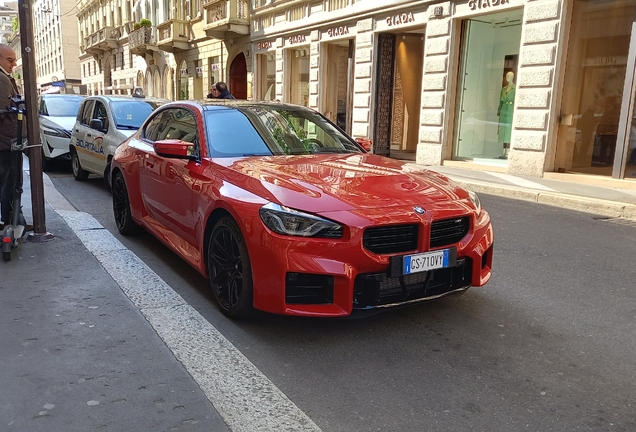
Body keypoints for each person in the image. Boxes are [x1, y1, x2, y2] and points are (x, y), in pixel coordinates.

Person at [0, 43, 29, 230]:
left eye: (14, 60)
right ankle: (11, 219)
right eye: (9, 60)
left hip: (6, 141)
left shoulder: (4, 77)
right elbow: (3, 111)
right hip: (6, 143)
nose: (14, 63)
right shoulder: (2, 79)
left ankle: (12, 218)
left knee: (9, 182)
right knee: (10, 182)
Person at [497, 70, 516, 159]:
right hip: (504, 109)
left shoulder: (515, 88)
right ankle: (503, 151)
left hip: (511, 109)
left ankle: (508, 152)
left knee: (509, 130)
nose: (507, 77)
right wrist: (499, 109)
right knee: (503, 130)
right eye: (507, 76)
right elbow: (501, 100)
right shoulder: (504, 89)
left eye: (509, 76)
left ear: (513, 77)